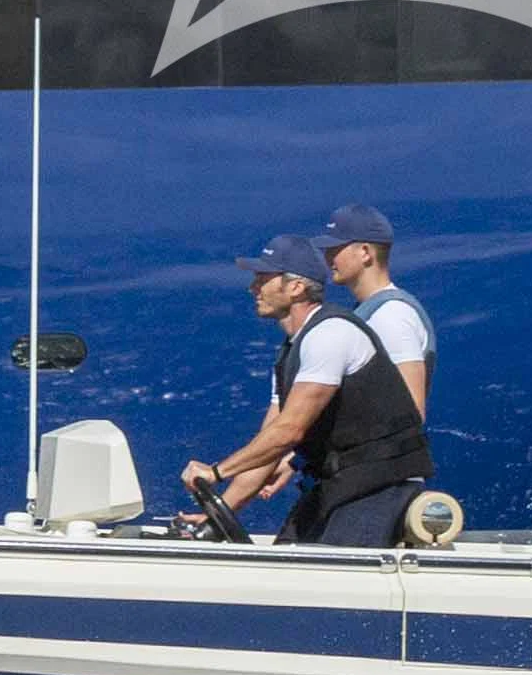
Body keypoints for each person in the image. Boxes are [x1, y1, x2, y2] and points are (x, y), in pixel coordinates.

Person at [184, 234, 435, 545]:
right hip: (338, 486)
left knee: (328, 572)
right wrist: (222, 510)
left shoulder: (331, 334)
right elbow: (270, 442)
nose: (253, 288)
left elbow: (289, 432)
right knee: (285, 562)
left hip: (379, 487)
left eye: (263, 279)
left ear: (296, 287)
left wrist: (216, 472)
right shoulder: (293, 352)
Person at [319, 204, 434, 419]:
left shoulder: (391, 316)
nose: (327, 257)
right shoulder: (372, 312)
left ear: (365, 252)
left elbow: (411, 412)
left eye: (335, 248)